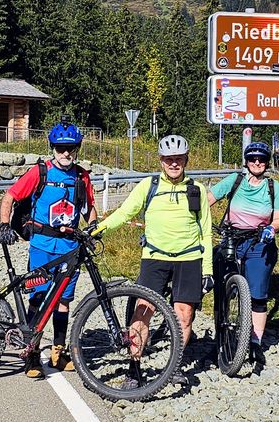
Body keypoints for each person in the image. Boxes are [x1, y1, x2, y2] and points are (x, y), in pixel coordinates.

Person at [92, 134, 213, 386]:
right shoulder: (149, 185)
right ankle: (133, 369)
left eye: (178, 158)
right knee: (143, 311)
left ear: (186, 160)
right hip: (155, 257)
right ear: (160, 160)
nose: (174, 163)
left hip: (189, 257)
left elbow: (206, 231)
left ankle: (174, 366)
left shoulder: (197, 189)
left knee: (184, 315)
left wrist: (208, 269)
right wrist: (98, 230)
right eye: (169, 159)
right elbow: (125, 213)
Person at [0, 119, 97, 378]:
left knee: (63, 301)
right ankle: (31, 354)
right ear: (53, 148)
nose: (66, 153)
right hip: (41, 246)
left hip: (70, 248)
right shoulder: (40, 172)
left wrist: (93, 229)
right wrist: (4, 224)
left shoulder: (82, 176)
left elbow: (89, 210)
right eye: (60, 148)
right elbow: (10, 196)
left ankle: (58, 353)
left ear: (77, 148)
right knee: (38, 298)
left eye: (70, 148)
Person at [207, 141, 279, 371]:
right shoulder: (235, 181)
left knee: (258, 295)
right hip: (232, 239)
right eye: (252, 159)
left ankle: (255, 343)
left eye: (261, 159)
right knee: (222, 290)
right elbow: (207, 200)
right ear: (246, 161)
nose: (257, 162)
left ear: (267, 163)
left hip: (259, 243)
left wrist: (272, 228)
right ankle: (221, 339)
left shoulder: (273, 187)